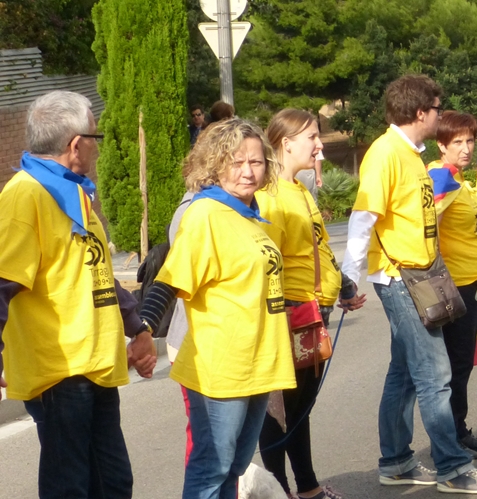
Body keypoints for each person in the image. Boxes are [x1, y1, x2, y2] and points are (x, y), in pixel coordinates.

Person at [340, 75, 477, 493]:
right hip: (400, 277)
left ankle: (396, 461)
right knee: (435, 373)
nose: (439, 113)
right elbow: (363, 218)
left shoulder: (409, 153)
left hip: (417, 274)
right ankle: (453, 468)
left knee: (405, 374)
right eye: (436, 107)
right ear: (420, 112)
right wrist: (348, 279)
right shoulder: (386, 153)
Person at [0, 90, 155, 498]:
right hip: (59, 370)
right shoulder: (26, 194)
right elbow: (1, 282)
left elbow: (96, 270)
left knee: (113, 483)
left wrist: (137, 327)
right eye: (95, 138)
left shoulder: (71, 192)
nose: (95, 148)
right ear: (75, 145)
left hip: (94, 363)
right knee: (70, 487)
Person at [137, 118, 295, 499]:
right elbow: (171, 280)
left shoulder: (250, 215)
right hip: (220, 368)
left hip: (258, 363)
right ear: (215, 165)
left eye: (255, 162)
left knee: (235, 469)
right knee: (212, 468)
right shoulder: (206, 215)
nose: (247, 171)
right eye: (236, 162)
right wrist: (142, 327)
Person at [254, 109, 366, 499]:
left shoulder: (299, 189)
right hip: (292, 313)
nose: (320, 146)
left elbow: (315, 251)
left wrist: (342, 288)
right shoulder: (271, 198)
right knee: (281, 411)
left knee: (301, 408)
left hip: (314, 311)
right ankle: (279, 489)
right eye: (312, 138)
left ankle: (307, 487)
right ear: (286, 143)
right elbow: (270, 262)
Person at [425, 111, 477, 454]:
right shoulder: (441, 177)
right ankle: (453, 434)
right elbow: (425, 231)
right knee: (455, 363)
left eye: (471, 140)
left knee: (462, 360)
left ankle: (458, 429)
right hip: (455, 285)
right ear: (441, 145)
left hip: (473, 282)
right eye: (458, 142)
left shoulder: (457, 179)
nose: (467, 148)